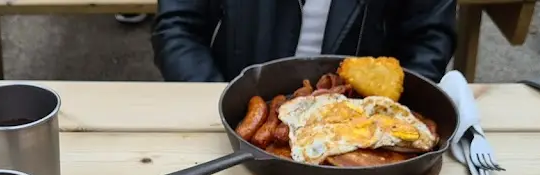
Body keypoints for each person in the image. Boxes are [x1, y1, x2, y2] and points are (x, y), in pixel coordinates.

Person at [151, 0, 456, 84]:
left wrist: (388, 122)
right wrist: (219, 104)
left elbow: (428, 40)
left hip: (360, 132)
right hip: (240, 117)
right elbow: (178, 29)